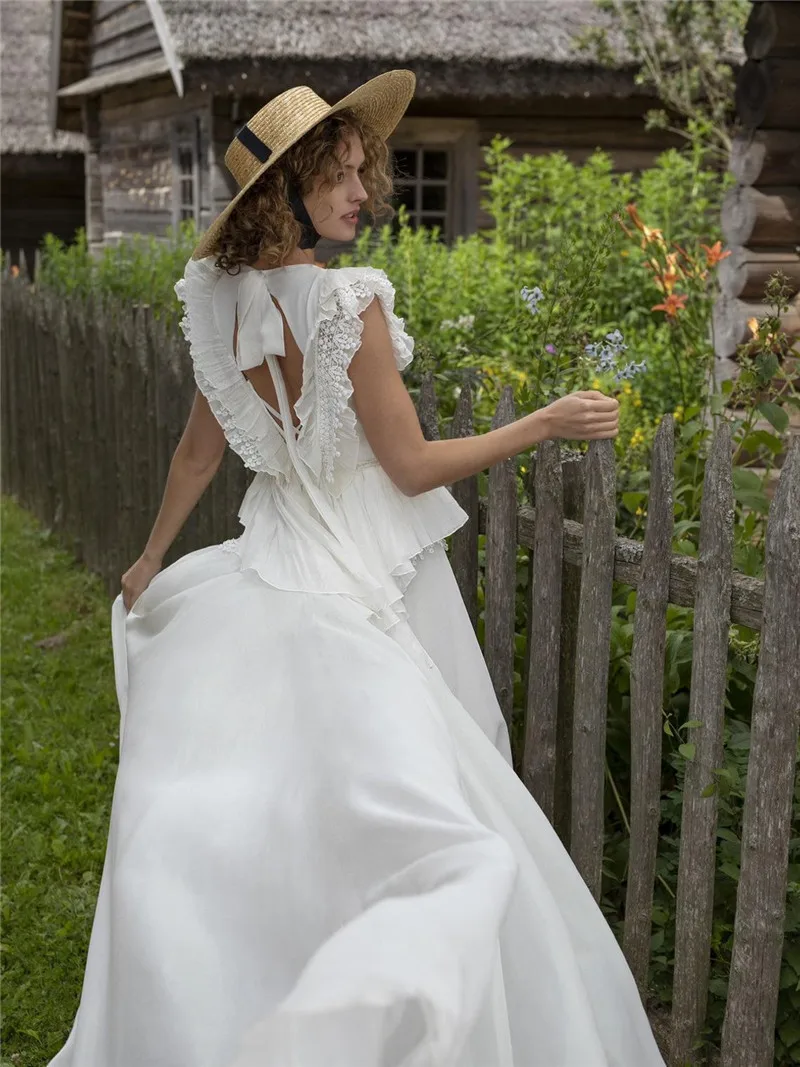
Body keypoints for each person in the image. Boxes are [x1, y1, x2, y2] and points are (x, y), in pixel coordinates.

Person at [47, 71, 666, 1067]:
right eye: (335, 177)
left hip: (270, 562)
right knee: (429, 811)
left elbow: (201, 452)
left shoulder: (217, 298)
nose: (360, 194)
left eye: (356, 174)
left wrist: (154, 555)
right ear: (282, 192)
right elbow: (410, 465)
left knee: (287, 809)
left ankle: (269, 990)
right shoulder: (347, 303)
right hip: (369, 579)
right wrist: (542, 422)